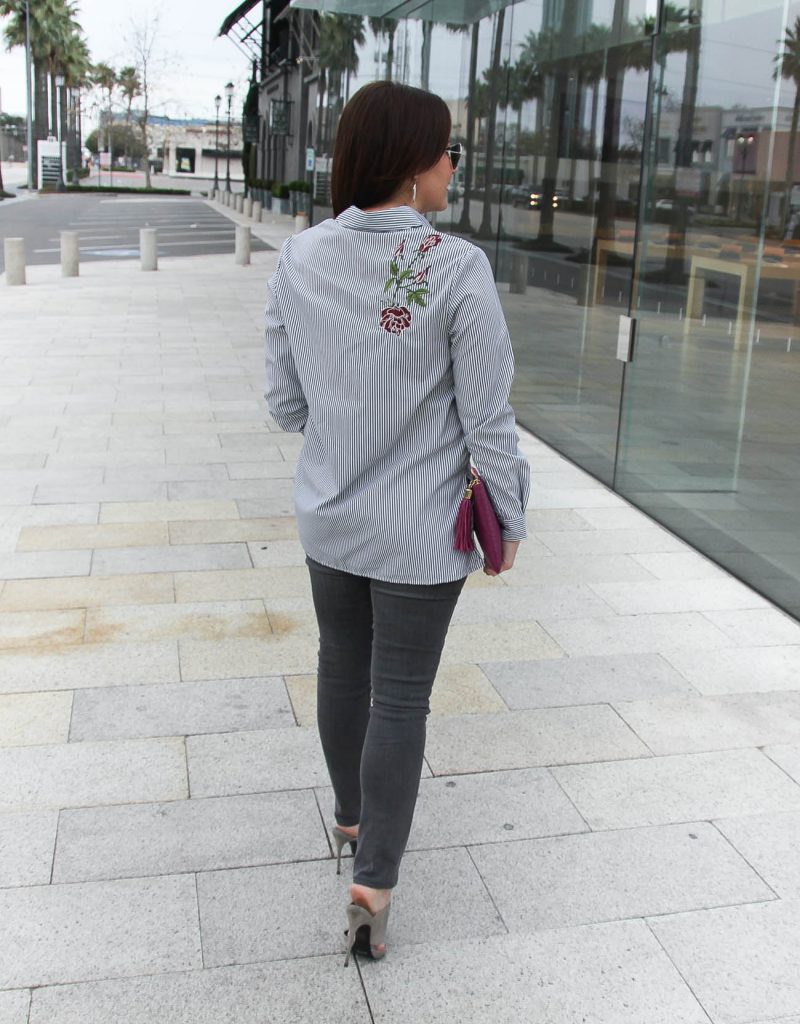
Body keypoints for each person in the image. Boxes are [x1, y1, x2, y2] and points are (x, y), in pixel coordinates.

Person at [265, 80, 529, 965]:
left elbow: (284, 400)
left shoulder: (299, 258)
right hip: (421, 531)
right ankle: (373, 880)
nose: (455, 165)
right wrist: (510, 513)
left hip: (331, 515)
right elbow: (489, 416)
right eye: (449, 150)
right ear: (413, 165)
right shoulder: (456, 267)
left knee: (342, 668)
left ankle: (349, 817)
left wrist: (349, 425)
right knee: (402, 695)